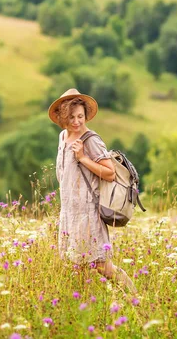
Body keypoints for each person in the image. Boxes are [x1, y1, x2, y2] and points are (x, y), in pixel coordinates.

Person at [48, 88, 136, 293]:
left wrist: (83, 158)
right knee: (76, 264)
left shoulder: (91, 140)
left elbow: (110, 173)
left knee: (101, 265)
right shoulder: (63, 137)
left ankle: (135, 297)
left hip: (87, 212)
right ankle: (83, 304)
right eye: (71, 117)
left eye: (80, 116)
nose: (77, 121)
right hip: (70, 211)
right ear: (62, 117)